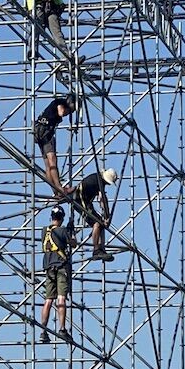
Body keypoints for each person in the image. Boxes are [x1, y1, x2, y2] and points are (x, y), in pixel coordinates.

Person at [37, 207, 73, 343]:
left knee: (48, 300)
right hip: (61, 267)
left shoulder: (44, 231)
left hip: (48, 268)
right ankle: (62, 329)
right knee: (61, 299)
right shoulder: (63, 231)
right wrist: (71, 232)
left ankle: (43, 330)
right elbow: (73, 244)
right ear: (62, 218)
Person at [33, 94, 78, 198]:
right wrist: (69, 110)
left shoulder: (57, 103)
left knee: (48, 165)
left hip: (39, 131)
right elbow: (61, 112)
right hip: (46, 132)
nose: (70, 113)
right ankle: (60, 188)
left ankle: (56, 191)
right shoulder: (60, 102)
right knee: (52, 160)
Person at [72, 168, 117, 261]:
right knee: (97, 223)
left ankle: (101, 248)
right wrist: (107, 215)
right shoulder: (99, 182)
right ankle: (96, 250)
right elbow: (102, 200)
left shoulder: (98, 178)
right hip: (80, 201)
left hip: (85, 201)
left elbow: (101, 200)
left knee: (100, 222)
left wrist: (105, 216)